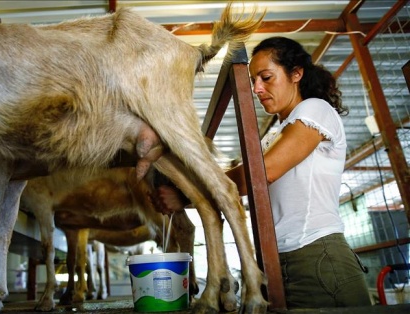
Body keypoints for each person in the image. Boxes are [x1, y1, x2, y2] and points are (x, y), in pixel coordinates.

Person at [154, 36, 371, 309]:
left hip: (317, 257)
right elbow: (242, 171)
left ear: (296, 74)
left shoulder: (315, 110)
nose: (256, 88)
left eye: (266, 77)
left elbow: (262, 173)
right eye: (253, 80)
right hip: (278, 262)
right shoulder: (277, 133)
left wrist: (186, 195)